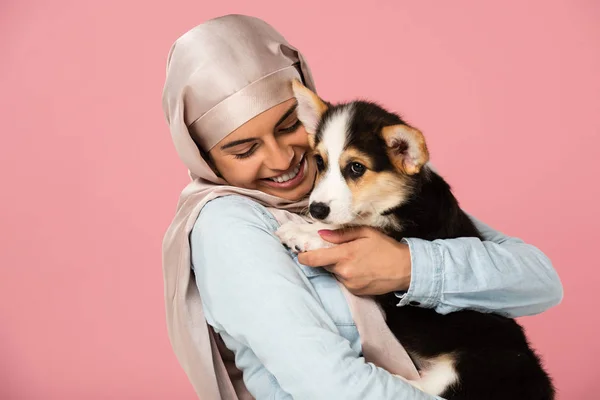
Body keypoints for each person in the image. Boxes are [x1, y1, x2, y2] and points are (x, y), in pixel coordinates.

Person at [161, 14, 563, 400]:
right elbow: (330, 387)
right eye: (244, 149)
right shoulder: (228, 225)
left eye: (288, 126)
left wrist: (406, 266)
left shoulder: (377, 178)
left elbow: (538, 283)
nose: (283, 160)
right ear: (205, 159)